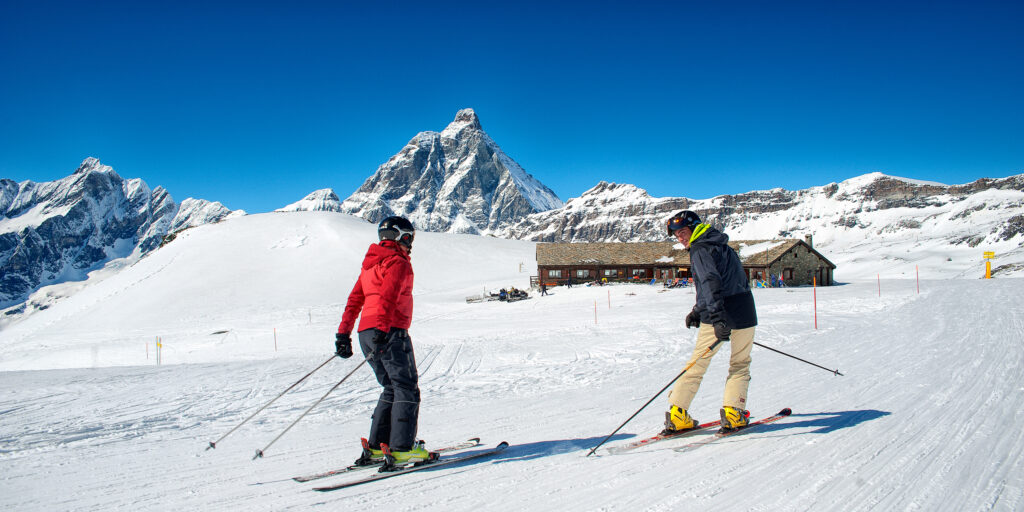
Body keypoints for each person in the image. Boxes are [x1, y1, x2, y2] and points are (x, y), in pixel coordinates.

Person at [335, 216, 428, 466]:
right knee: (406, 387)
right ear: (402, 237)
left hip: (367, 332)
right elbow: (387, 296)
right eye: (410, 238)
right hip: (390, 330)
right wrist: (384, 329)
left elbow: (355, 300)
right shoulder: (398, 262)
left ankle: (378, 447)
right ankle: (401, 448)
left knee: (390, 386)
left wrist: (343, 334)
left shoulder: (369, 265)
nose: (411, 244)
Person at [663, 210, 758, 434]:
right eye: (676, 235)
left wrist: (715, 317)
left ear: (695, 228)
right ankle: (734, 412)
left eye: (683, 232)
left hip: (721, 313)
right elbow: (715, 283)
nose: (680, 238)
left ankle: (678, 414)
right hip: (743, 310)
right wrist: (698, 310)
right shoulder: (720, 244)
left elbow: (710, 282)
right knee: (740, 363)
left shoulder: (699, 249)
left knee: (698, 363)